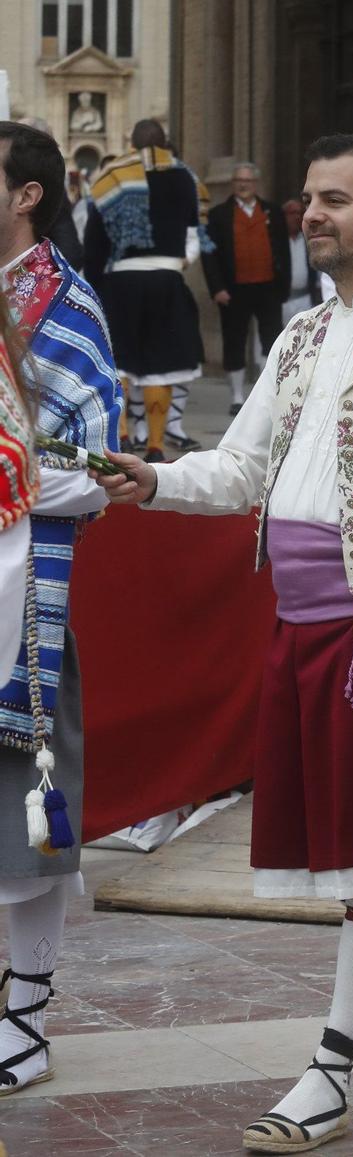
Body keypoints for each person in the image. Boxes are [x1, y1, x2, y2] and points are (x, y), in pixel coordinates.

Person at [93, 134, 353, 1149]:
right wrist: (155, 479)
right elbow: (242, 470)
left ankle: (328, 1072)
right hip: (299, 623)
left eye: (334, 198)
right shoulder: (296, 338)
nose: (311, 212)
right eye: (306, 197)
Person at [0, 121, 116, 1099]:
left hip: (17, 594)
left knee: (22, 821)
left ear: (26, 191)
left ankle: (28, 1015)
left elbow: (99, 462)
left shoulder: (65, 308)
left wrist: (16, 475)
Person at [90, 120, 209, 463]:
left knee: (120, 363)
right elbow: (195, 233)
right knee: (163, 364)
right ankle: (156, 444)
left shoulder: (110, 177)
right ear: (165, 142)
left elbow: (96, 241)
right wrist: (177, 263)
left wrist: (96, 285)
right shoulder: (186, 177)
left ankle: (123, 435)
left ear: (131, 142)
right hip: (166, 279)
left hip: (120, 282)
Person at [204, 163, 291, 415]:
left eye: (248, 181)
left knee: (272, 340)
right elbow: (209, 255)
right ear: (233, 183)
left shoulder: (272, 212)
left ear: (256, 184)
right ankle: (237, 396)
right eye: (238, 180)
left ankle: (267, 393)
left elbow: (283, 251)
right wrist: (216, 288)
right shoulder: (218, 215)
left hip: (268, 287)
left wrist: (282, 286)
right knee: (234, 341)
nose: (243, 185)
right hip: (233, 290)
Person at [279, 198, 325, 323]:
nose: (297, 217)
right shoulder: (276, 241)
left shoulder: (308, 239)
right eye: (292, 213)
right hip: (281, 303)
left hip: (306, 300)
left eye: (300, 213)